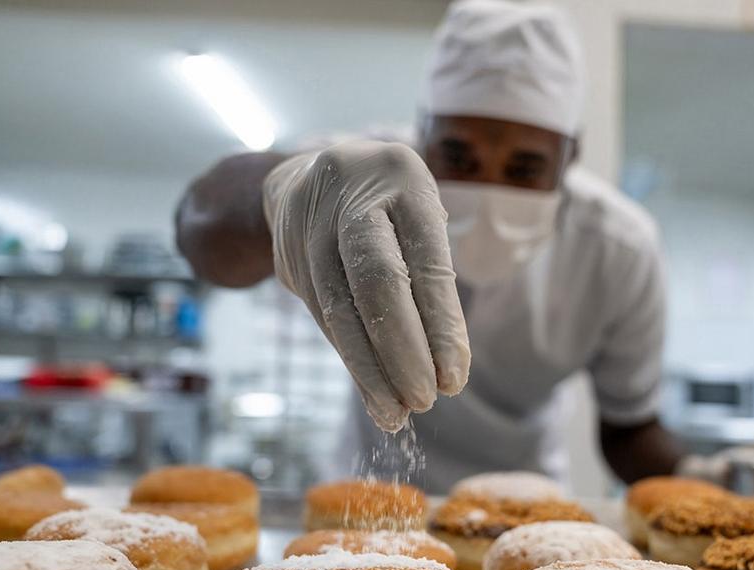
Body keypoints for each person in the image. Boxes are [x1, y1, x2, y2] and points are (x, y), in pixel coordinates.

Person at [175, 0, 714, 492]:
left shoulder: (618, 249)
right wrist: (277, 195)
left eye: (525, 168)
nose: (486, 191)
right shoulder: (358, 179)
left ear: (570, 158)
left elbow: (628, 426)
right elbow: (201, 224)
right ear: (423, 133)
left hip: (522, 503)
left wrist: (699, 480)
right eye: (458, 157)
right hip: (370, 492)